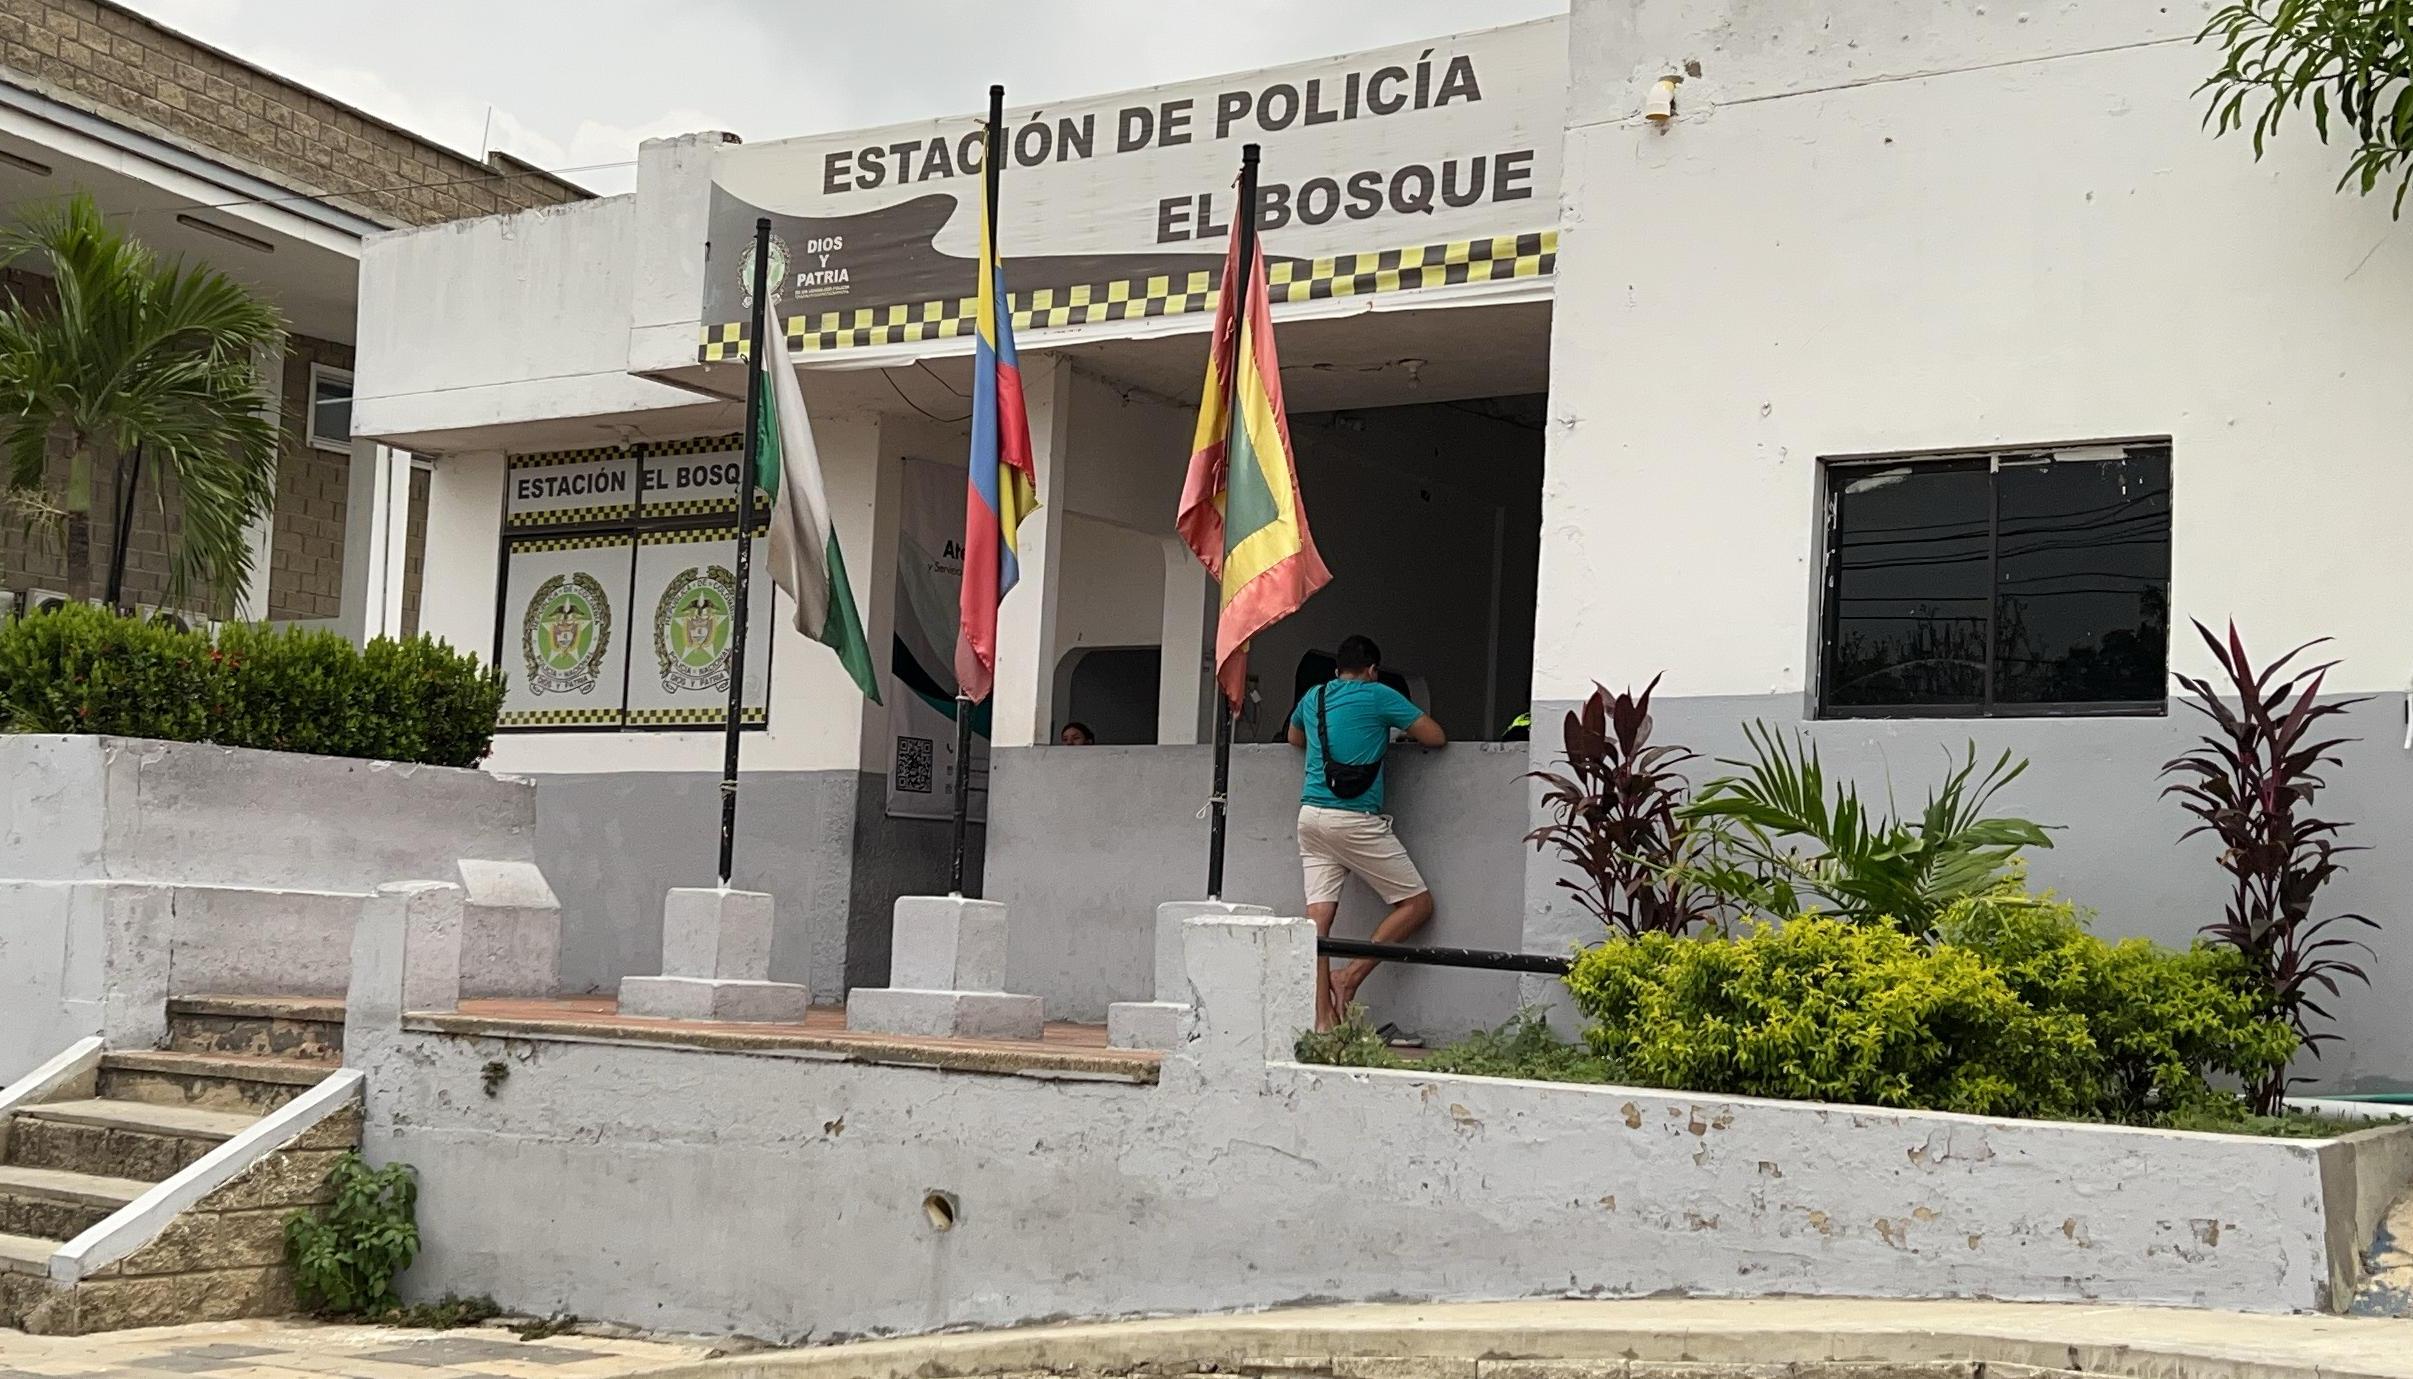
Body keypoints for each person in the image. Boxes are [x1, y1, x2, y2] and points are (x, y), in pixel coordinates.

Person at [1287, 634, 1446, 1031]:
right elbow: (1435, 737)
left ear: (1336, 669)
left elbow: (1294, 739)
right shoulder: (1379, 695)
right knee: (1417, 905)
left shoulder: (1314, 697)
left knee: (1318, 923)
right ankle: (1350, 976)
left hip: (1310, 818)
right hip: (1354, 818)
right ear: (1373, 670)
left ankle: (1322, 1020)